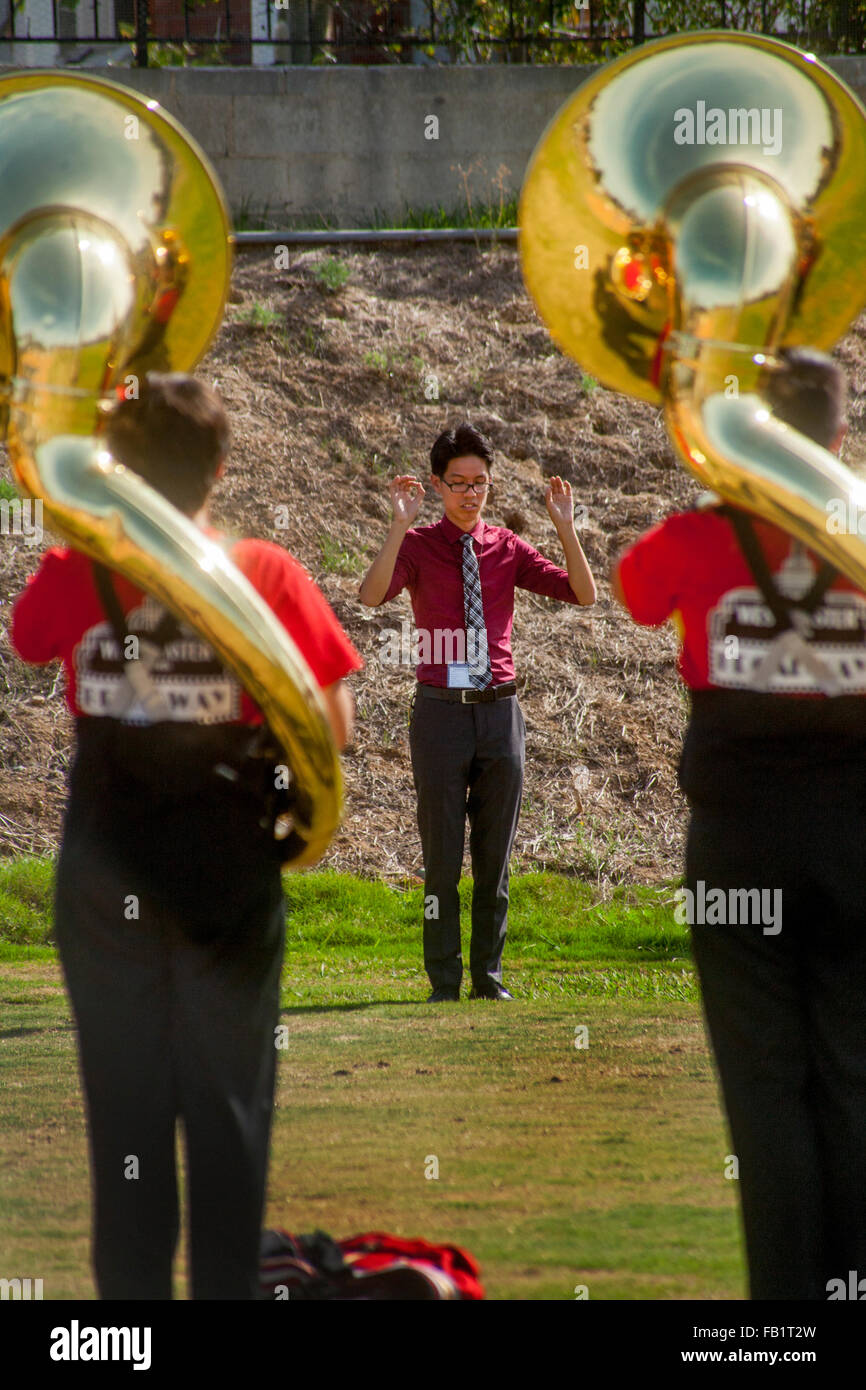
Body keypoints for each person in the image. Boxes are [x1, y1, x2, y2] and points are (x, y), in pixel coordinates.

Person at [10, 372, 362, 1300]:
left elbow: (27, 637)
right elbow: (334, 725)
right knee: (230, 1116)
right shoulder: (266, 572)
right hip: (225, 872)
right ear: (219, 468)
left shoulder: (77, 569)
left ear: (119, 465)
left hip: (104, 870)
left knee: (124, 1121)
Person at [612, 347, 866, 1300]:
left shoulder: (696, 534)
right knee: (855, 1082)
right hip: (858, 843)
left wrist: (716, 483)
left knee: (764, 1094)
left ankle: (784, 1317)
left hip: (739, 853)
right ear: (840, 439)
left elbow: (638, 595)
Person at [359, 421, 596, 1002]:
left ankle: (489, 977)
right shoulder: (418, 547)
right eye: (458, 482)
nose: (470, 493)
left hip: (500, 714)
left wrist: (567, 528)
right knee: (442, 859)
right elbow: (368, 596)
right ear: (437, 485)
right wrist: (397, 524)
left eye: (480, 482)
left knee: (495, 857)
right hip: (440, 714)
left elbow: (584, 595)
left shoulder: (507, 548)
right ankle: (443, 980)